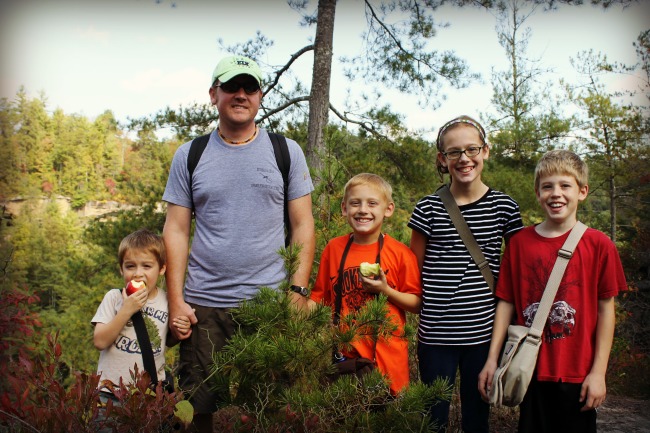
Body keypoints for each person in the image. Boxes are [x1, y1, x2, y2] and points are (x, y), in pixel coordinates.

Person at [162, 55, 315, 432]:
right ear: (214, 94)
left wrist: (296, 291)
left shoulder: (286, 151)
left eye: (250, 87)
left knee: (271, 411)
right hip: (204, 306)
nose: (241, 94)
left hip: (267, 305)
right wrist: (177, 300)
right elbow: (176, 230)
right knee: (196, 411)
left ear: (260, 96)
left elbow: (303, 225)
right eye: (231, 86)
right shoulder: (190, 155)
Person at [478, 150, 627, 433]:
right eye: (547, 186)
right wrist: (492, 360)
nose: (555, 193)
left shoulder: (599, 245)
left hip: (577, 373)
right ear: (537, 193)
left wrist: (598, 373)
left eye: (565, 185)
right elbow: (506, 304)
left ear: (582, 191)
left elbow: (606, 309)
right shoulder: (520, 243)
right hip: (528, 369)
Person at [408, 115, 523, 432]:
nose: (464, 159)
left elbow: (517, 274)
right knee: (433, 418)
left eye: (471, 149)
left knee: (476, 418)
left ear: (486, 151)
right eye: (454, 152)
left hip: (484, 337)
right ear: (442, 159)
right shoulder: (428, 208)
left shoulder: (505, 207)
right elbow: (411, 271)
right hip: (435, 336)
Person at [303, 173, 421, 395]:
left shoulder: (400, 254)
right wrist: (291, 307)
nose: (363, 210)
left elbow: (416, 303)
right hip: (344, 364)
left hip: (389, 365)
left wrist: (385, 291)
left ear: (388, 209)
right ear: (344, 208)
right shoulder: (333, 249)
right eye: (355, 203)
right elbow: (320, 299)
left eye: (372, 203)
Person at [92, 229, 190, 397]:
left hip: (149, 393)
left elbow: (166, 341)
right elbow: (100, 341)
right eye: (130, 266)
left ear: (161, 268)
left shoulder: (168, 301)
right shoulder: (114, 298)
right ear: (121, 269)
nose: (138, 273)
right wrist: (127, 309)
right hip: (110, 392)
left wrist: (182, 328)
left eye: (147, 266)